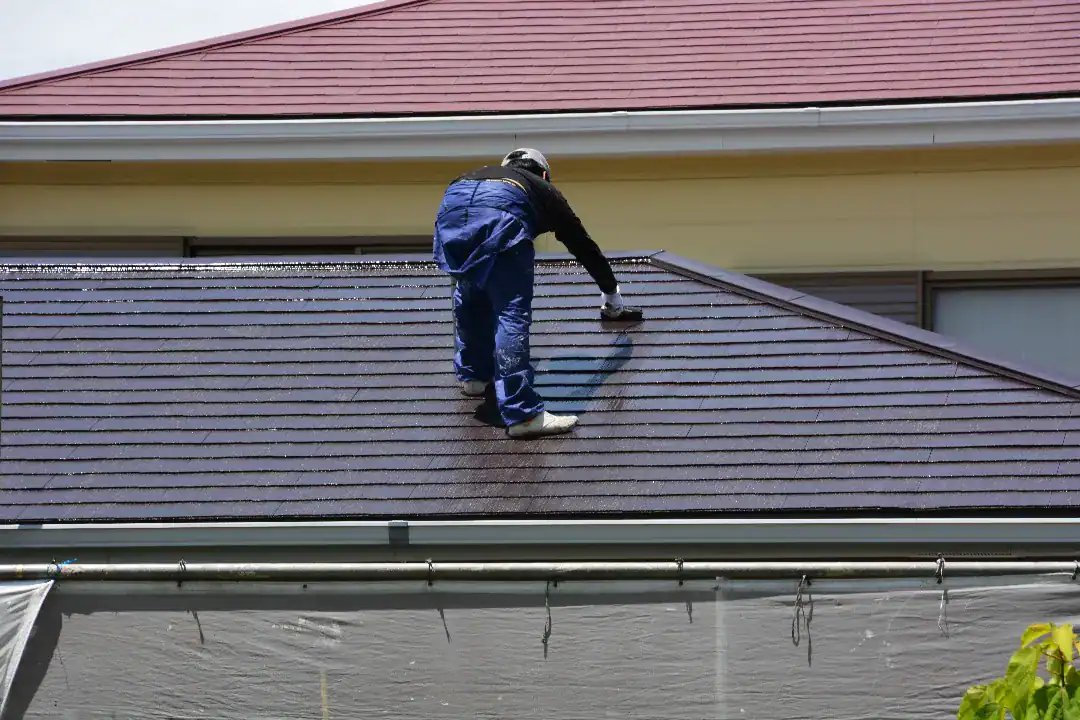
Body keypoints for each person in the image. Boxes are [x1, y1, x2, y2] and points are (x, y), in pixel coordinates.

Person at [433, 148, 634, 439]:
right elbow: (582, 245)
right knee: (510, 310)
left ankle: (474, 376)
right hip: (502, 208)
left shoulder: (480, 173)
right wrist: (611, 294)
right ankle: (522, 413)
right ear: (542, 174)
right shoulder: (541, 188)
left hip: (452, 204)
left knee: (468, 290)